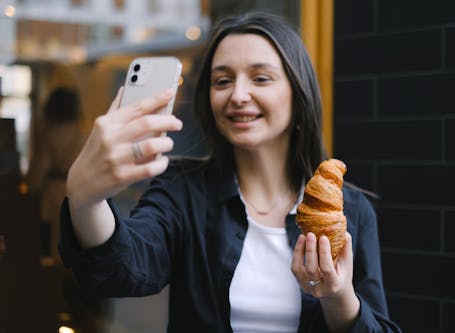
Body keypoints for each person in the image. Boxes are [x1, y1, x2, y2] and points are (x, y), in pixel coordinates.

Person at [59, 12, 401, 333]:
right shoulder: (182, 192)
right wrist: (86, 200)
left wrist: (337, 296)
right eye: (222, 81)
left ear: (297, 94)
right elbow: (121, 271)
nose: (237, 95)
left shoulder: (351, 211)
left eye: (260, 78)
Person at [25, 87, 86, 265]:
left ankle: (52, 286)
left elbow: (39, 171)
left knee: (50, 246)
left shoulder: (48, 134)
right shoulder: (83, 135)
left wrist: (30, 187)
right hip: (76, 192)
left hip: (51, 193)